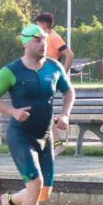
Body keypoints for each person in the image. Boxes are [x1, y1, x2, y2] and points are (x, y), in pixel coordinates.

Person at [0, 25, 74, 205]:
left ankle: (9, 201)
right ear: (25, 43)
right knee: (35, 184)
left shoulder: (53, 67)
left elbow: (69, 90)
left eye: (44, 39)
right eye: (37, 40)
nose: (43, 44)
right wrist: (12, 111)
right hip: (21, 136)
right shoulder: (11, 71)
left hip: (45, 136)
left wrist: (65, 114)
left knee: (43, 193)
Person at [35, 12, 75, 155]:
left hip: (48, 78)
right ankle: (43, 144)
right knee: (39, 111)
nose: (36, 26)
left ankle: (57, 144)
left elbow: (69, 54)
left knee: (42, 112)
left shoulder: (54, 37)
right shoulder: (43, 38)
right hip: (41, 77)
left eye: (37, 24)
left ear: (43, 24)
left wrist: (62, 73)